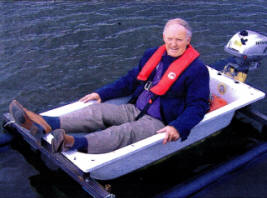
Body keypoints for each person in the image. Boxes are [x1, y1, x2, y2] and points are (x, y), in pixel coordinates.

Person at [9, 18, 210, 154]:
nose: (173, 44)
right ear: (163, 38)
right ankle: (42, 122)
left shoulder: (197, 70)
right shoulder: (153, 54)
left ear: (188, 40)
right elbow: (130, 80)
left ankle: (70, 142)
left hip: (160, 122)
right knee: (96, 112)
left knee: (123, 133)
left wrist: (177, 126)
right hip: (135, 107)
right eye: (170, 39)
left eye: (179, 40)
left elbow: (198, 106)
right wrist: (101, 93)